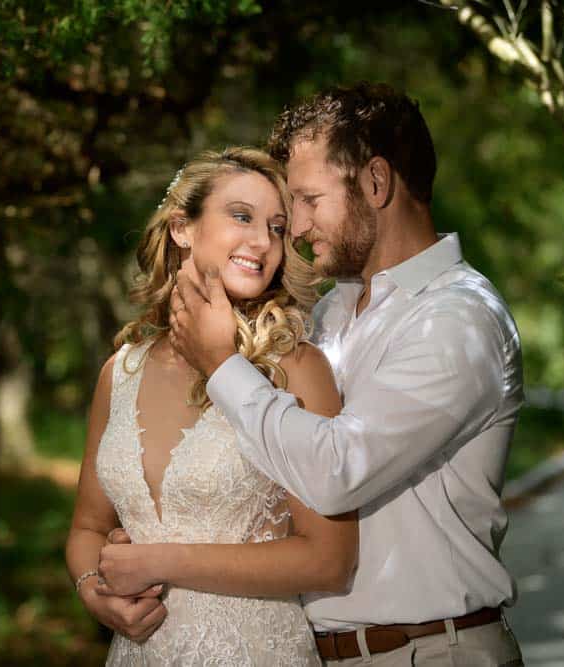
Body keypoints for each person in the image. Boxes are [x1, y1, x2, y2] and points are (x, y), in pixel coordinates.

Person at [168, 83, 525, 665]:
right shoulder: (333, 310)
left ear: (376, 182)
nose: (298, 229)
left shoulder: (459, 319)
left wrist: (221, 365)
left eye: (309, 200)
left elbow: (337, 471)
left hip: (434, 650)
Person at [65, 146, 359, 665]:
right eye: (241, 216)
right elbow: (88, 527)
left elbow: (329, 559)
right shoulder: (121, 371)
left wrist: (159, 562)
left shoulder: (296, 369)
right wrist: (94, 592)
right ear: (182, 227)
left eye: (276, 227)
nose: (261, 241)